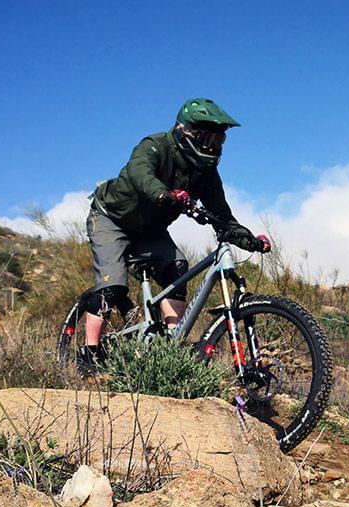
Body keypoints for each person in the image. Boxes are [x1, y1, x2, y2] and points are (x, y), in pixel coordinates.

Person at [78, 98, 271, 378]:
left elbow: (223, 217)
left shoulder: (205, 174)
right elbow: (139, 175)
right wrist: (165, 195)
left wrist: (251, 241)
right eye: (207, 138)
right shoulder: (155, 146)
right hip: (112, 219)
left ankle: (170, 347)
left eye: (219, 140)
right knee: (112, 289)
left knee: (178, 268)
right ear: (185, 131)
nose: (212, 147)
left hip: (150, 232)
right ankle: (89, 358)